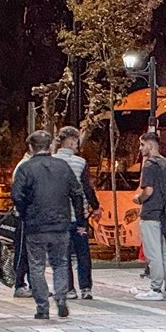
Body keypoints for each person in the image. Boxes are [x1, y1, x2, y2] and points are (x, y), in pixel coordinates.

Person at [12, 130, 84, 320]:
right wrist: (78, 218)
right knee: (60, 262)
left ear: (30, 147)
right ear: (50, 145)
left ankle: (42, 306)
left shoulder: (25, 168)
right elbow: (77, 192)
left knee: (36, 265)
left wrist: (25, 211)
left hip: (35, 224)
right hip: (61, 223)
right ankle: (61, 298)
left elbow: (17, 195)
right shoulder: (62, 166)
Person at [54, 126, 101, 300]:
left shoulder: (51, 161)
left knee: (63, 253)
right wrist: (96, 207)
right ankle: (86, 288)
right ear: (72, 141)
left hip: (58, 216)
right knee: (82, 253)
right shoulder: (80, 162)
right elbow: (86, 188)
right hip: (79, 216)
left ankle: (69, 289)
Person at [134, 131, 166, 301]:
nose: (140, 149)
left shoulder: (149, 165)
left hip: (151, 213)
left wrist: (139, 199)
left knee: (153, 254)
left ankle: (155, 289)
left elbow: (148, 190)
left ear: (150, 146)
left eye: (142, 145)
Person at [9, 150, 33, 298]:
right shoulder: (24, 166)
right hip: (25, 216)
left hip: (29, 215)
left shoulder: (28, 165)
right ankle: (19, 284)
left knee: (31, 251)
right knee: (22, 251)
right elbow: (18, 193)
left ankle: (31, 284)